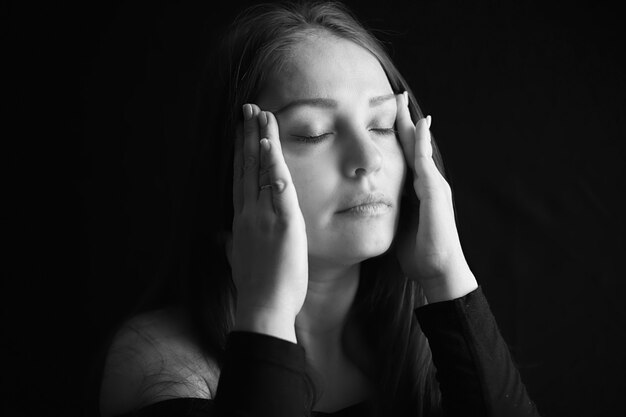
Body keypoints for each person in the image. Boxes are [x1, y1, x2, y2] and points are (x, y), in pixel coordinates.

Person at [95, 1, 542, 416]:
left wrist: (447, 275)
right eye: (313, 133)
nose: (369, 159)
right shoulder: (161, 360)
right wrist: (267, 312)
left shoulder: (419, 346)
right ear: (234, 167)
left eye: (383, 124)